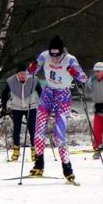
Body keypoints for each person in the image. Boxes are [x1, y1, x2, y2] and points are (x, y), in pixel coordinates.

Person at [27, 36, 88, 183]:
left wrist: (74, 72)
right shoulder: (44, 56)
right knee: (38, 129)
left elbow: (84, 78)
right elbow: (29, 74)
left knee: (58, 135)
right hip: (48, 93)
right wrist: (32, 68)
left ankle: (67, 168)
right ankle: (38, 164)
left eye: (57, 55)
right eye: (52, 55)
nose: (54, 58)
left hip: (63, 96)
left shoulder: (70, 59)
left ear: (62, 52)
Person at [0, 65, 42, 161]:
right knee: (17, 129)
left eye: (24, 74)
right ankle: (16, 151)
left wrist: (45, 106)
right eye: (20, 74)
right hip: (16, 107)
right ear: (17, 74)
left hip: (31, 107)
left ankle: (34, 151)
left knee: (32, 128)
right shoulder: (11, 81)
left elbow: (40, 92)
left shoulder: (34, 79)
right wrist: (3, 107)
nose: (23, 76)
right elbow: (4, 94)